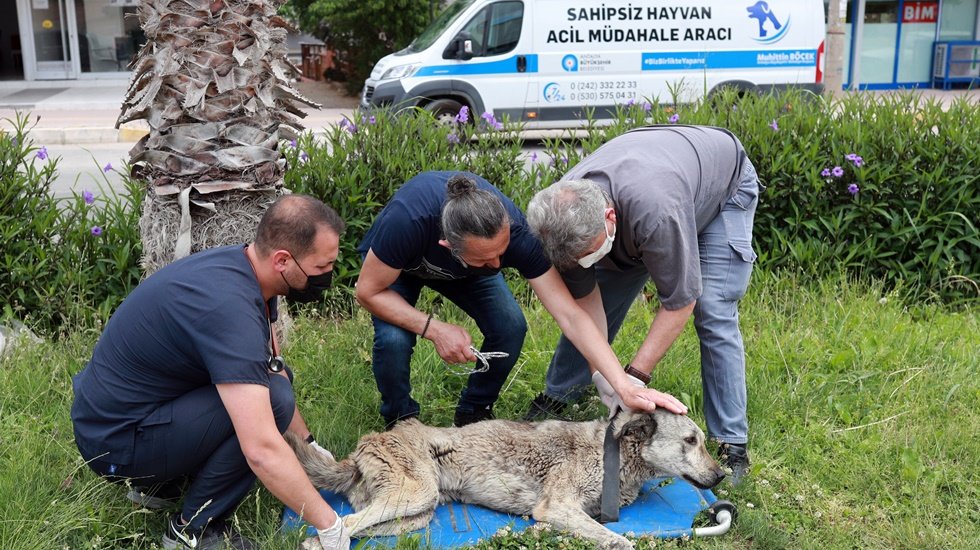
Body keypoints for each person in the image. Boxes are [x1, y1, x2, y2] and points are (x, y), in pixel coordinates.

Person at [71, 195, 352, 550]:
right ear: (283, 260)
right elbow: (261, 448)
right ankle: (193, 529)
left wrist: (309, 444)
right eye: (322, 267)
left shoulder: (251, 270)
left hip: (123, 417)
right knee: (274, 402)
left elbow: (274, 368)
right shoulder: (230, 310)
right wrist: (329, 525)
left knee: (275, 385)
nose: (328, 276)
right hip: (115, 445)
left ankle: (161, 487)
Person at [355, 171, 686, 429]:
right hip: (394, 274)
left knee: (510, 326)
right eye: (487, 259)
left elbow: (571, 315)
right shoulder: (408, 222)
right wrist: (434, 328)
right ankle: (401, 421)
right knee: (394, 340)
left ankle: (474, 411)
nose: (498, 266)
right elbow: (368, 292)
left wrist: (621, 385)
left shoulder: (516, 235)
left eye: (501, 253)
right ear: (448, 247)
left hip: (465, 271)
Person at [523, 125, 761, 483]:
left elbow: (680, 300)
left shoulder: (657, 213)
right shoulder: (560, 217)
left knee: (713, 308)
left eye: (589, 253)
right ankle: (561, 395)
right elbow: (583, 308)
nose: (586, 262)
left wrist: (634, 379)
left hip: (721, 188)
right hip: (648, 194)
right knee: (602, 286)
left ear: (609, 219)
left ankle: (731, 442)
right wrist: (605, 377)